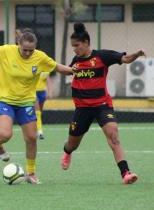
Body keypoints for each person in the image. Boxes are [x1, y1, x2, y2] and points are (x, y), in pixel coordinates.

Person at [0, 30, 73, 184]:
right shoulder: (6, 51)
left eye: (31, 50)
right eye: (24, 49)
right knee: (5, 135)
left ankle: (31, 173)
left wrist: (74, 71)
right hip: (4, 101)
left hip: (26, 102)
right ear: (18, 44)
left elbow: (57, 67)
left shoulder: (40, 57)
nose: (27, 53)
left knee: (32, 138)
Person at [61, 22, 146, 185]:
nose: (75, 49)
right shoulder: (76, 60)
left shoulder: (102, 56)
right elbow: (67, 71)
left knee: (113, 135)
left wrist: (137, 54)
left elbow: (125, 58)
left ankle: (126, 173)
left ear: (86, 43)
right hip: (82, 109)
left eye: (77, 45)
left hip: (102, 105)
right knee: (72, 144)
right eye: (72, 46)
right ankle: (67, 152)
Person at [35, 72, 53, 140]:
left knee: (39, 111)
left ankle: (36, 126)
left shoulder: (45, 68)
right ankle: (40, 132)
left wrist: (50, 92)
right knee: (37, 112)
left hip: (42, 93)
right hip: (33, 92)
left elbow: (48, 81)